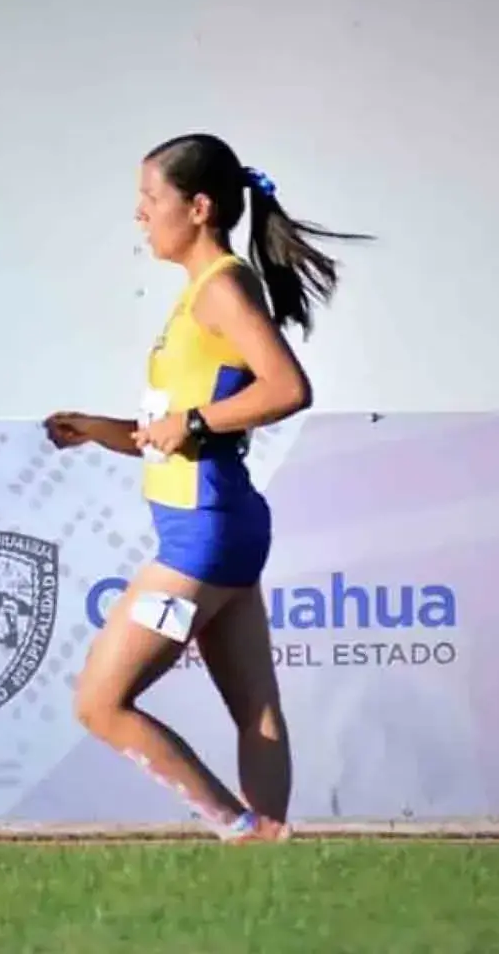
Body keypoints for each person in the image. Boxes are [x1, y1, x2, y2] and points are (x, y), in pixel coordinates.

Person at [44, 133, 368, 842]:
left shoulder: (220, 286)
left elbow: (287, 388)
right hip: (218, 522)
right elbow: (181, 430)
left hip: (202, 536)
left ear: (198, 208)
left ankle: (239, 827)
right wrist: (101, 428)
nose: (138, 215)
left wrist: (190, 421)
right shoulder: (205, 291)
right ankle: (272, 857)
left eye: (149, 199)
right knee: (256, 708)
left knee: (100, 703)